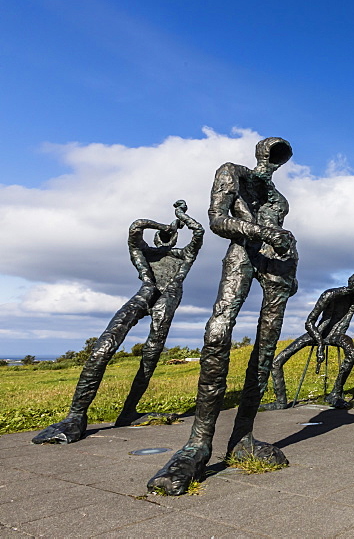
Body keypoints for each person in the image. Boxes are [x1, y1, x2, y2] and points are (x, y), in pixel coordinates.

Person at [148, 137, 297, 495]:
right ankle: (198, 444)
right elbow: (217, 220)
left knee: (264, 351)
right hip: (244, 254)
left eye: (280, 157)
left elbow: (281, 234)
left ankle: (242, 437)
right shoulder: (232, 173)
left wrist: (291, 269)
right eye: (271, 154)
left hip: (279, 267)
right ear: (261, 152)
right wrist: (263, 232)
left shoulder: (278, 198)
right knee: (217, 332)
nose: (274, 161)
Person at [33, 200, 203, 444]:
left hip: (167, 300)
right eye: (161, 234)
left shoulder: (185, 254)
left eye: (169, 235)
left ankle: (128, 412)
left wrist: (180, 215)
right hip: (144, 294)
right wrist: (167, 224)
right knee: (104, 346)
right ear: (157, 236)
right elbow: (136, 227)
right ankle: (76, 415)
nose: (165, 237)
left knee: (150, 356)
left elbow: (198, 232)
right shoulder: (143, 252)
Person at [261, 272, 354, 410]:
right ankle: (280, 401)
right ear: (350, 285)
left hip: (337, 334)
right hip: (317, 333)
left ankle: (335, 393)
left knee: (353, 353)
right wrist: (320, 344)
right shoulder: (329, 294)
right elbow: (309, 322)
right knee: (277, 362)